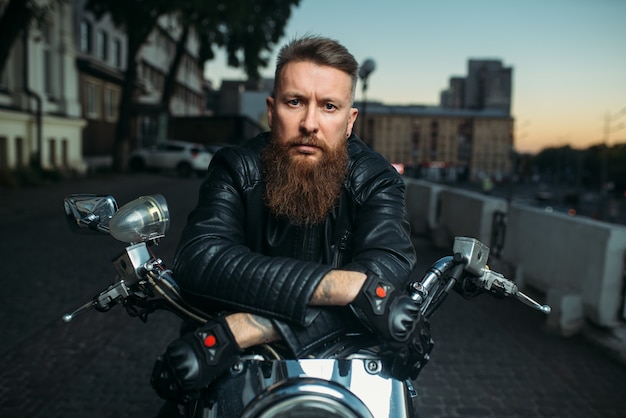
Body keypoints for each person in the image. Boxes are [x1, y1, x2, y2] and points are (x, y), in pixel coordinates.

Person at [151, 35, 433, 404]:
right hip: (234, 372)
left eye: (329, 106)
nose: (309, 123)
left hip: (337, 366)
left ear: (350, 122)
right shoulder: (236, 168)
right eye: (295, 102)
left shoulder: (376, 179)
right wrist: (347, 288)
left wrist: (239, 330)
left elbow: (385, 271)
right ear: (271, 111)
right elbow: (201, 258)